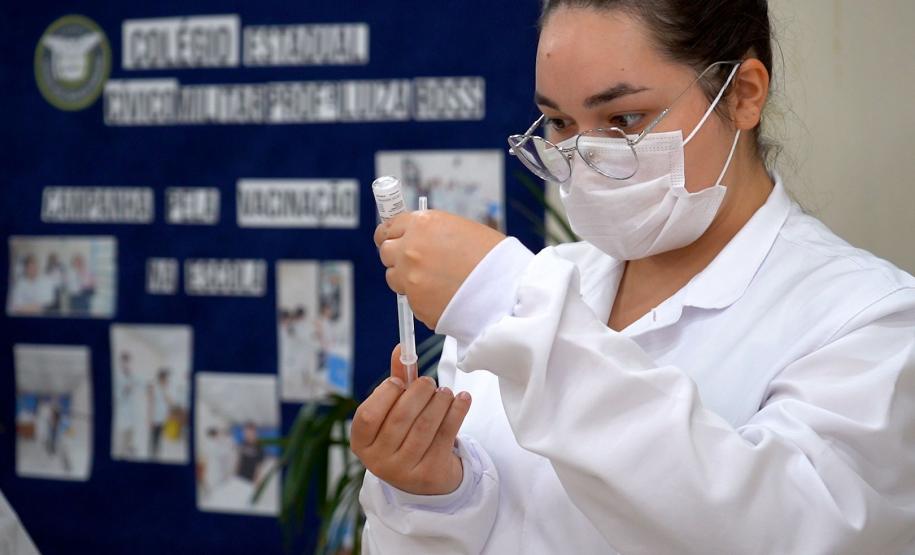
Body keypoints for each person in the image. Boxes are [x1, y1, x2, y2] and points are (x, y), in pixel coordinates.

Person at [354, 1, 915, 553]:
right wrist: (435, 498)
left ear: (743, 94)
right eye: (560, 122)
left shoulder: (869, 320)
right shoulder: (544, 286)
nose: (585, 155)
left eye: (624, 120)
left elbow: (783, 532)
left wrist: (509, 304)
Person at [148, 369, 172, 458]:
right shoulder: (154, 388)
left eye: (167, 379)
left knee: (159, 440)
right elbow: (151, 404)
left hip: (163, 418)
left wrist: (168, 414)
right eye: (165, 378)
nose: (167, 380)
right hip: (155, 419)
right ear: (161, 378)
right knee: (154, 440)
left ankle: (156, 456)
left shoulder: (165, 389)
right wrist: (150, 419)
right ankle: (152, 457)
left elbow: (168, 403)